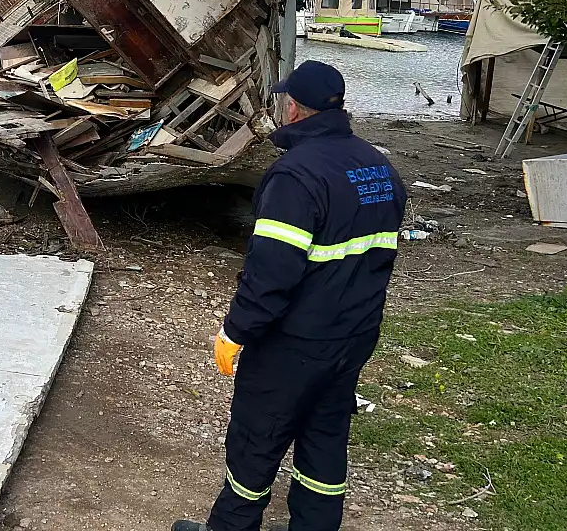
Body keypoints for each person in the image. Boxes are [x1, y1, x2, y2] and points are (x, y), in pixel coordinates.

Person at [173, 61, 406, 531]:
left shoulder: (294, 177)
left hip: (295, 342)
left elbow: (272, 273)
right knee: (324, 435)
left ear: (294, 109)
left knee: (256, 439)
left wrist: (235, 331)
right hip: (356, 333)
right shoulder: (379, 168)